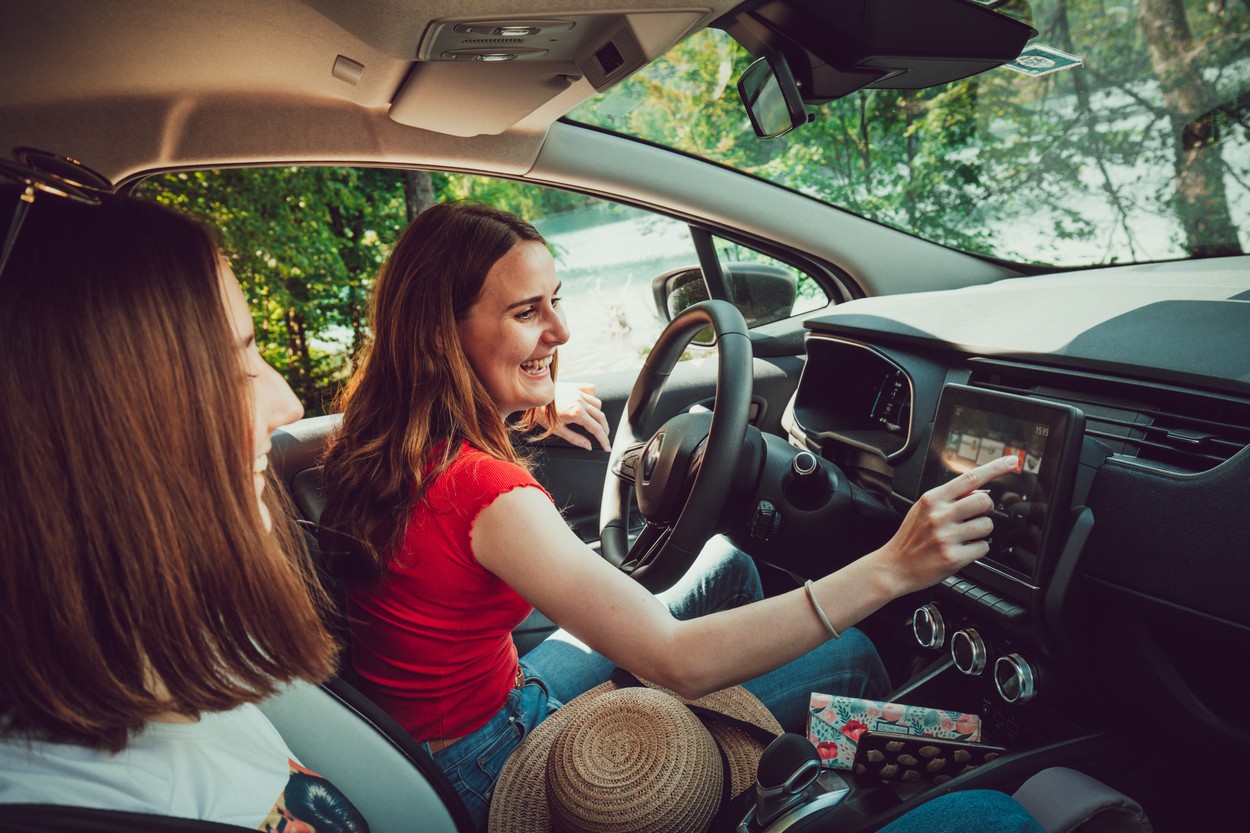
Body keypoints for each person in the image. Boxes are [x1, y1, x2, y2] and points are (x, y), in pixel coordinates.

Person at [317, 201, 1023, 829]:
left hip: (443, 726)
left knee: (726, 562)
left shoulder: (382, 438)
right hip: (489, 756)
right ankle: (922, 774)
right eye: (527, 313)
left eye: (555, 300)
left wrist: (531, 398)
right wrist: (893, 568)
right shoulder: (487, 492)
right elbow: (678, 661)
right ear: (441, 336)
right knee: (852, 656)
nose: (561, 329)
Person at [0, 184, 365, 831]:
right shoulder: (77, 804)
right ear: (85, 434)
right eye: (231, 371)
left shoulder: (173, 645)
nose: (286, 403)